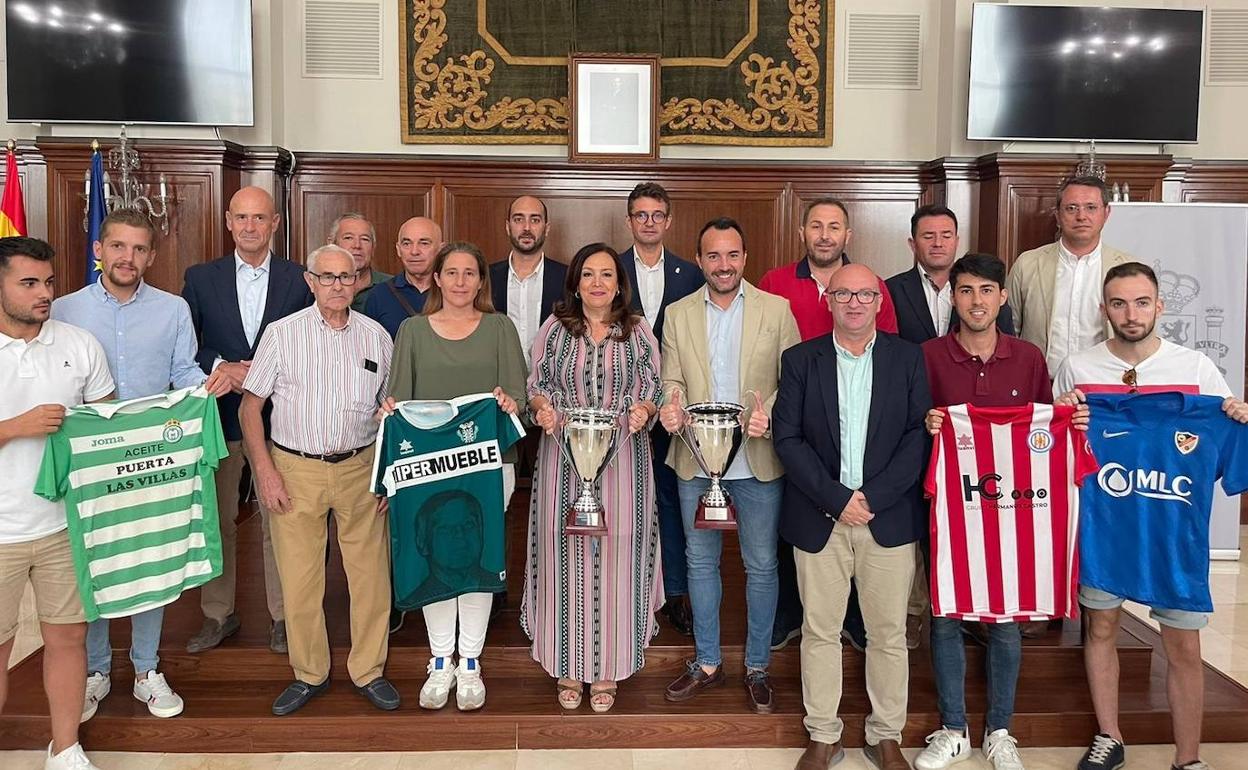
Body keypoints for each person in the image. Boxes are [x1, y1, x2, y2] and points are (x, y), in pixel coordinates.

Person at [1053, 262, 1248, 770]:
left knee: (1183, 647)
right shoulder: (1079, 367)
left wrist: (1239, 419)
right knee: (1100, 631)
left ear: (1160, 307)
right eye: (1119, 303)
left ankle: (1189, 758)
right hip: (1105, 532)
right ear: (1104, 309)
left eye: (1142, 302)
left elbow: (1223, 439)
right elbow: (1054, 447)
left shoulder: (1197, 367)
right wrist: (1064, 413)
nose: (1131, 313)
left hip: (1173, 540)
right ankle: (1109, 736)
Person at [51, 210, 231, 721]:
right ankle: (95, 669)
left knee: (148, 554)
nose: (128, 258)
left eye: (139, 249)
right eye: (118, 247)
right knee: (99, 559)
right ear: (99, 251)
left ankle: (148, 668)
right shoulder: (64, 309)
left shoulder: (173, 309)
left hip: (154, 456)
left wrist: (207, 385)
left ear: (151, 256)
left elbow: (181, 372)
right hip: (93, 463)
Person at [773, 263, 931, 770]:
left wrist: (873, 498)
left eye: (865, 294)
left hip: (886, 519)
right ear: (829, 300)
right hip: (821, 517)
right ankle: (823, 734)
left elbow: (916, 437)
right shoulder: (800, 359)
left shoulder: (907, 359)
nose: (855, 303)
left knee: (887, 633)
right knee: (820, 630)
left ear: (880, 302)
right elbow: (787, 439)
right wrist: (837, 498)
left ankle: (886, 734)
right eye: (844, 294)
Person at [238, 244, 396, 716]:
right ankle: (309, 673)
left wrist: (389, 473)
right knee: (300, 579)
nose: (336, 286)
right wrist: (264, 471)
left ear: (359, 281)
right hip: (294, 468)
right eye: (326, 277)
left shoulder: (377, 337)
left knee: (370, 577)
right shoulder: (281, 335)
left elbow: (391, 412)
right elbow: (250, 408)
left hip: (360, 467)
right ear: (310, 282)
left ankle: (369, 670)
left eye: (345, 277)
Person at [912, 254, 1051, 770]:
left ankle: (1000, 730)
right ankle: (953, 729)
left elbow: (1044, 432)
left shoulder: (1029, 358)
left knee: (1007, 620)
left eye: (986, 290)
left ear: (1003, 297)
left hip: (1015, 512)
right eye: (966, 291)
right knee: (945, 614)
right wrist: (925, 423)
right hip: (947, 507)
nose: (976, 301)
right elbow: (907, 424)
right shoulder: (926, 355)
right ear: (953, 297)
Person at [658, 217, 799, 714]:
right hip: (695, 459)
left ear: (745, 258)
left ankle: (758, 666)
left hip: (757, 459)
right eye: (713, 256)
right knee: (700, 562)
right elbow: (670, 378)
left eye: (732, 255)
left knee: (761, 565)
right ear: (699, 260)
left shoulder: (776, 310)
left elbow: (793, 379)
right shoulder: (676, 313)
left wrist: (772, 411)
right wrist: (669, 405)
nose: (724, 265)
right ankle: (708, 661)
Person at [385, 240, 526, 711]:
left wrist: (508, 404)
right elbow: (397, 402)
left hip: (489, 467)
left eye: (470, 273)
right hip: (427, 469)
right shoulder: (412, 331)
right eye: (453, 273)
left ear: (481, 281)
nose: (461, 282)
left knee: (475, 556)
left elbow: (519, 400)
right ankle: (439, 659)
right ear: (438, 279)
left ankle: (470, 662)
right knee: (438, 561)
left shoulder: (500, 328)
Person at [523, 243, 662, 714]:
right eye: (588, 275)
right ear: (575, 283)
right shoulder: (554, 329)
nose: (598, 283)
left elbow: (653, 386)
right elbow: (537, 385)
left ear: (620, 283)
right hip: (564, 458)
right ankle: (568, 663)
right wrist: (542, 409)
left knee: (619, 555)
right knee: (566, 557)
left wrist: (644, 408)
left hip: (624, 459)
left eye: (607, 274)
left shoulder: (639, 331)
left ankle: (608, 667)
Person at [759, 197, 900, 652]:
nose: (825, 234)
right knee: (797, 524)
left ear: (847, 235)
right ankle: (790, 615)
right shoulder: (776, 282)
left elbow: (889, 355)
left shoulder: (869, 285)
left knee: (861, 534)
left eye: (834, 226)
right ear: (803, 232)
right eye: (816, 226)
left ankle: (855, 619)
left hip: (857, 416)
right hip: (796, 419)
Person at [181, 185, 312, 655]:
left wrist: (260, 373)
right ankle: (219, 615)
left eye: (260, 218)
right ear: (228, 222)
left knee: (282, 518)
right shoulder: (200, 278)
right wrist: (222, 366)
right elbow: (186, 343)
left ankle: (283, 616)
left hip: (284, 419)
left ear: (275, 223)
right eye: (242, 218)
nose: (251, 226)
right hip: (219, 417)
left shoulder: (300, 279)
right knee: (218, 519)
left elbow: (309, 343)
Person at [0, 236, 115, 770]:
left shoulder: (79, 342)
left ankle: (65, 748)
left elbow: (109, 425)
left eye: (48, 282)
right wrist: (16, 428)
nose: (44, 293)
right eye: (28, 283)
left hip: (63, 526)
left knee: (68, 639)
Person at [886, 206, 1015, 650]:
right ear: (913, 243)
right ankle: (919, 613)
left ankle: (976, 611)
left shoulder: (991, 299)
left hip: (988, 453)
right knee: (926, 533)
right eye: (928, 235)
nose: (937, 242)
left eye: (946, 235)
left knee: (980, 534)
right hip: (920, 433)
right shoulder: (891, 291)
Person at [619, 182, 703, 637]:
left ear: (668, 221)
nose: (648, 222)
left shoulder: (691, 274)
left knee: (673, 501)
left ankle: (675, 594)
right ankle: (629, 592)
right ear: (629, 221)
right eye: (640, 214)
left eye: (656, 215)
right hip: (623, 411)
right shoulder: (608, 270)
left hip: (675, 408)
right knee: (626, 503)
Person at [1006, 176, 1133, 376]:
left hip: (1104, 384)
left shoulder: (1129, 268)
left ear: (1106, 213)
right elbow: (1008, 331)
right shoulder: (1027, 264)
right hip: (1040, 385)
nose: (1081, 216)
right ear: (1057, 215)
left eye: (1091, 207)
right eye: (1071, 208)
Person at [489, 195, 567, 368]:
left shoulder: (567, 278)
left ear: (546, 228)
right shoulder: (486, 278)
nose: (526, 227)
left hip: (552, 385)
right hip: (499, 384)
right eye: (518, 219)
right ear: (507, 227)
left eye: (535, 220)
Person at [365, 216, 443, 339]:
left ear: (440, 249)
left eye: (424, 243)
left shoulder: (454, 293)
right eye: (407, 243)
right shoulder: (379, 295)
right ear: (398, 250)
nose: (414, 251)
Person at [329, 212, 392, 312]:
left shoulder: (392, 287)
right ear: (332, 244)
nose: (357, 245)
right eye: (348, 238)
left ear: (373, 247)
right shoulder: (319, 286)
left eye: (365, 239)